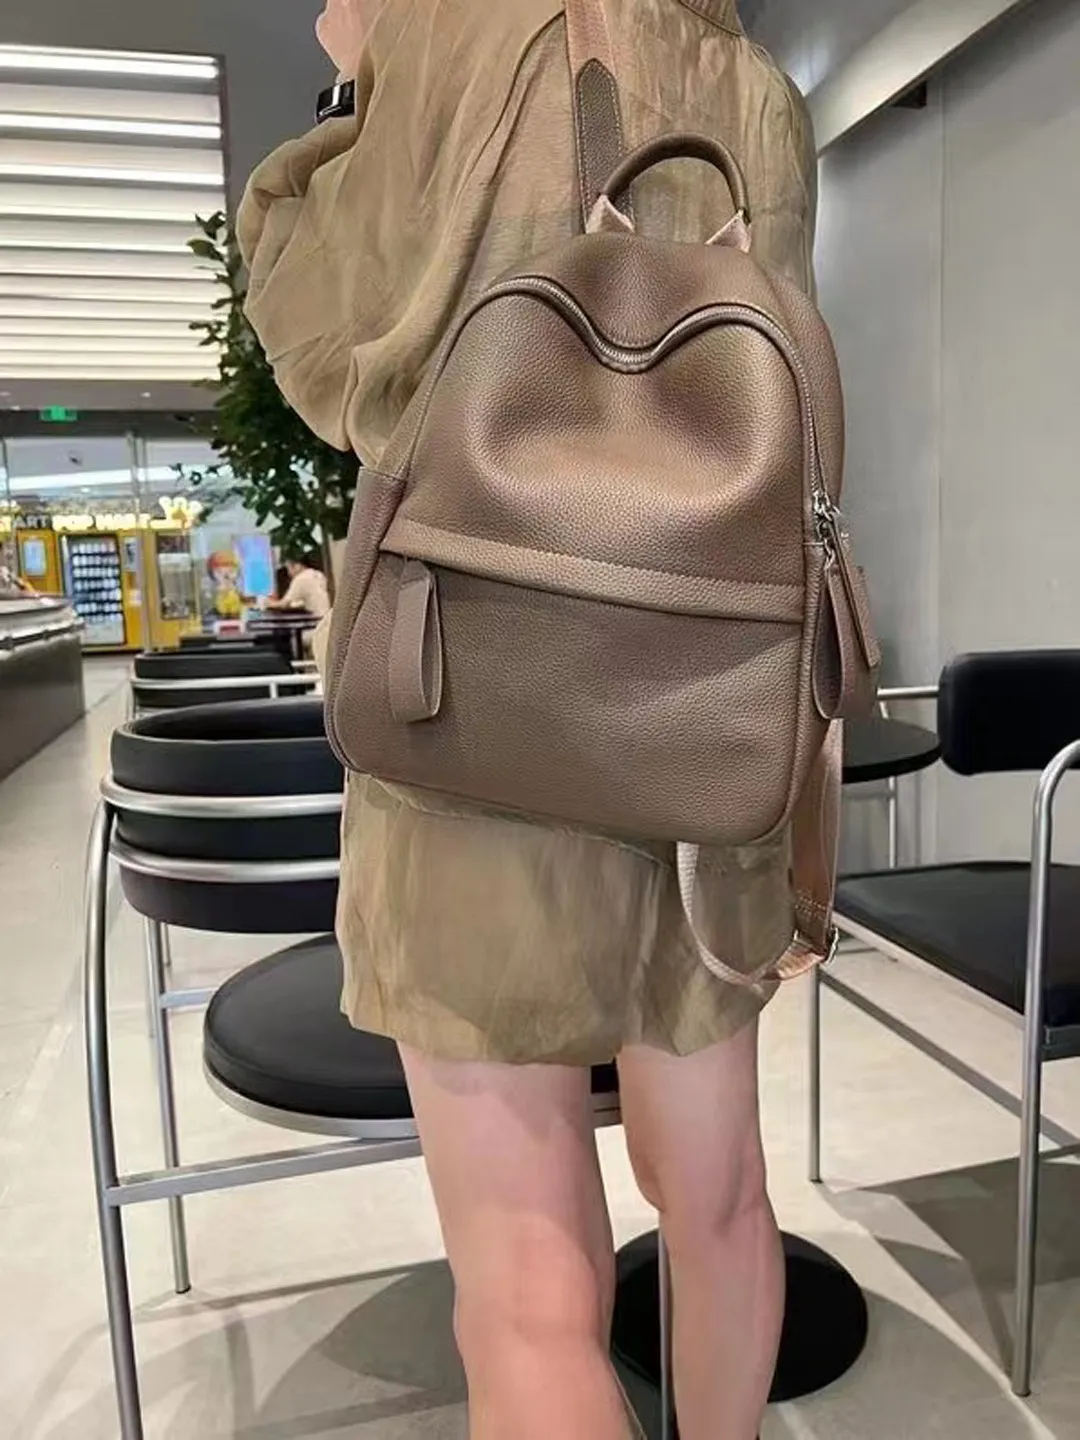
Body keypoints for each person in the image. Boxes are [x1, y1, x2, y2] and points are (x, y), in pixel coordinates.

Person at [240, 3, 818, 1437]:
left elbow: (331, 353)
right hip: (705, 712)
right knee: (722, 1203)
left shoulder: (440, 32)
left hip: (472, 711)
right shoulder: (753, 84)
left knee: (527, 1291)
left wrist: (356, 75)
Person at [265, 554, 330, 618]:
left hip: (316, 619)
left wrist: (268, 603)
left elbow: (284, 604)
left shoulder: (300, 578)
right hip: (326, 617)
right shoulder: (319, 574)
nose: (289, 573)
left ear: (296, 565)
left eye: (288, 568)